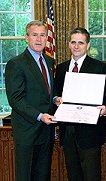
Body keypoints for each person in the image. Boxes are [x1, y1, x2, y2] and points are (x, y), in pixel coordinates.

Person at [54, 27, 106, 181]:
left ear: (87, 45)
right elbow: (55, 94)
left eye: (80, 43)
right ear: (68, 44)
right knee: (73, 176)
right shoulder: (61, 69)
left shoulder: (99, 67)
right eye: (73, 42)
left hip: (90, 134)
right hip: (68, 132)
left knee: (91, 176)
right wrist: (56, 99)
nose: (76, 46)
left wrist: (105, 110)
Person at [5, 20, 57, 181]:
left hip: (46, 131)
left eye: (43, 35)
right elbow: (15, 99)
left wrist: (55, 99)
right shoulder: (16, 63)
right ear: (26, 37)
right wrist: (40, 115)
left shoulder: (48, 61)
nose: (39, 39)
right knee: (26, 175)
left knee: (43, 175)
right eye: (35, 35)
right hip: (27, 131)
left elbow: (44, 91)